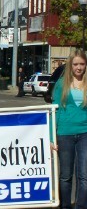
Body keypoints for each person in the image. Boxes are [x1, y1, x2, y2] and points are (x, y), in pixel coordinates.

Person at [52, 49, 87, 209]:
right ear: (70, 65)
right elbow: (55, 110)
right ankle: (65, 206)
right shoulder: (61, 84)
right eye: (76, 64)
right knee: (66, 176)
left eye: (82, 64)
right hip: (64, 133)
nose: (79, 68)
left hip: (84, 133)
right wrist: (52, 137)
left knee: (84, 176)